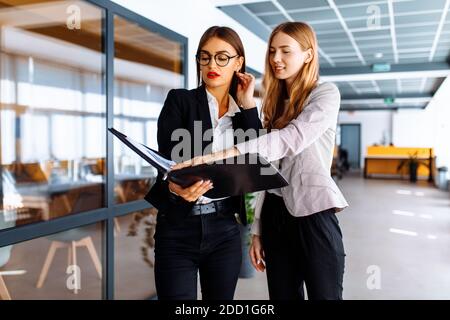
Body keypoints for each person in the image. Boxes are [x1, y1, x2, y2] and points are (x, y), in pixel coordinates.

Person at [172, 22, 349, 300]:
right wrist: (258, 231)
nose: (276, 59)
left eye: (286, 51)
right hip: (275, 216)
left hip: (313, 214)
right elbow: (267, 171)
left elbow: (290, 139)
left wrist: (221, 155)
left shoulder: (325, 94)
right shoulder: (274, 103)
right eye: (272, 51)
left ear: (308, 55)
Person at [144, 26, 261, 300]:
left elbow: (257, 162)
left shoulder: (243, 115)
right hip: (178, 228)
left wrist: (247, 105)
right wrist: (176, 186)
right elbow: (171, 160)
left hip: (224, 228)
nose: (212, 64)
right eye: (205, 57)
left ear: (238, 62)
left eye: (222, 57)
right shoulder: (181, 101)